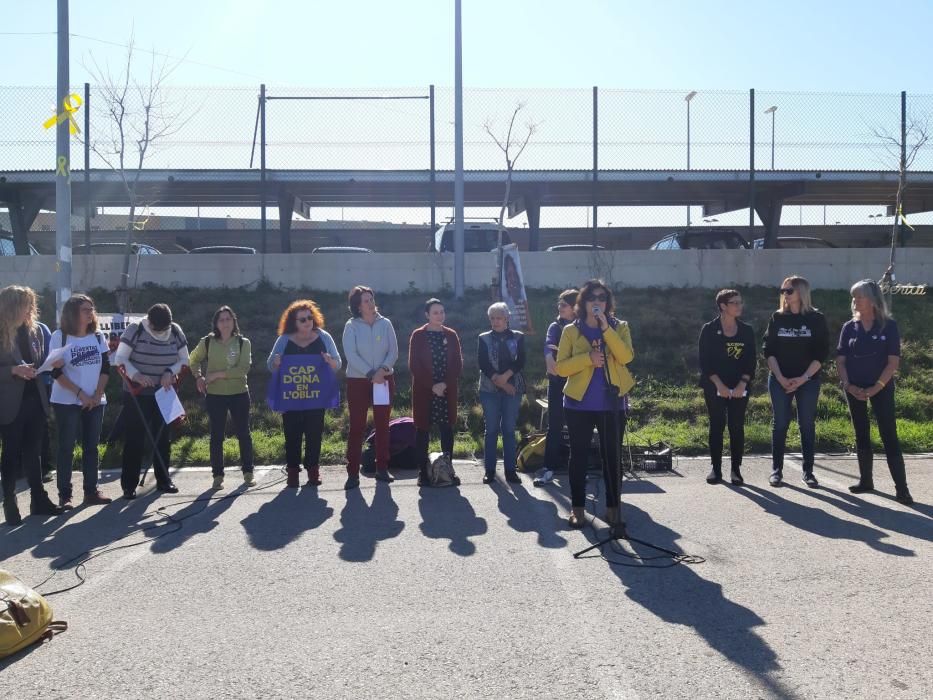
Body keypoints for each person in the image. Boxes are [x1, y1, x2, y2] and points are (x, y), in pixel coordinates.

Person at [556, 280, 635, 529]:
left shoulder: (619, 327)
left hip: (612, 405)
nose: (597, 302)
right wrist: (588, 358)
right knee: (578, 456)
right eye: (592, 298)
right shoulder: (571, 330)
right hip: (579, 405)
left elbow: (626, 356)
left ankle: (613, 509)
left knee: (612, 457)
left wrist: (606, 329)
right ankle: (578, 509)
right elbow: (561, 368)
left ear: (607, 302)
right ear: (583, 303)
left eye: (602, 298)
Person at [836, 279, 913, 505]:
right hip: (854, 388)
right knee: (861, 432)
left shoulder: (888, 326)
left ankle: (902, 488)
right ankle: (866, 481)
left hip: (881, 387)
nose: (855, 301)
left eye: (859, 297)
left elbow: (892, 363)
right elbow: (841, 361)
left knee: (889, 434)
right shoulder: (849, 327)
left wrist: (875, 387)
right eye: (853, 297)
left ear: (872, 300)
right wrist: (849, 385)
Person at [0, 285, 62, 525]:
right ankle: (9, 502)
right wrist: (14, 370)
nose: (31, 309)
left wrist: (48, 364)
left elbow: (38, 361)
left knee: (34, 453)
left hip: (35, 398)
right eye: (26, 304)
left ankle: (39, 499)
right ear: (12, 306)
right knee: (11, 454)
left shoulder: (34, 331)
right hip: (9, 402)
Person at [113, 303, 189, 499]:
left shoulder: (176, 331)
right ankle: (129, 485)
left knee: (162, 438)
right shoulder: (135, 329)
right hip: (137, 393)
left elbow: (184, 360)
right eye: (157, 328)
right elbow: (120, 358)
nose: (160, 332)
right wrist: (136, 375)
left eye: (164, 329)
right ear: (149, 321)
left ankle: (163, 480)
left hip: (164, 392)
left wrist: (169, 372)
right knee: (135, 438)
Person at [763, 275, 829, 488]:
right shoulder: (777, 318)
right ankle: (776, 471)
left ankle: (808, 472)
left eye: (789, 290)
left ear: (801, 292)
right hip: (780, 379)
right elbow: (768, 350)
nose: (785, 294)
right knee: (780, 424)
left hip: (807, 380)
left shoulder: (816, 319)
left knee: (806, 425)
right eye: (783, 290)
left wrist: (802, 379)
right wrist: (781, 378)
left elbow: (821, 354)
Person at [268, 300, 341, 489]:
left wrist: (329, 361)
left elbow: (338, 363)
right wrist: (275, 362)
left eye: (310, 317)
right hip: (291, 397)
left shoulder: (324, 337)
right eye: (302, 319)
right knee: (291, 434)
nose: (308, 321)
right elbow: (270, 364)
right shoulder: (284, 339)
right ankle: (292, 472)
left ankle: (313, 471)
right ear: (294, 322)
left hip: (316, 397)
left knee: (314, 434)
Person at [48, 294, 112, 509]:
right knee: (66, 447)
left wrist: (96, 395)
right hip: (67, 402)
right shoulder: (60, 336)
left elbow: (105, 367)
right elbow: (55, 372)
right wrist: (80, 394)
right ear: (73, 313)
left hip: (95, 401)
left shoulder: (98, 337)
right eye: (85, 309)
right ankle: (65, 496)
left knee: (91, 447)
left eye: (91, 308)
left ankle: (91, 491)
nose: (90, 312)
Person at [189, 305, 255, 490]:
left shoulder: (243, 342)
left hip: (239, 393)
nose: (225, 323)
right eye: (221, 320)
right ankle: (217, 475)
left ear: (234, 321)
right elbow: (192, 359)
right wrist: (199, 376)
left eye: (228, 319)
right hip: (215, 396)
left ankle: (248, 472)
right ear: (216, 323)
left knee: (244, 433)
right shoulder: (207, 342)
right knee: (216, 436)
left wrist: (217, 375)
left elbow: (243, 369)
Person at [697, 289, 757, 486]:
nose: (740, 306)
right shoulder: (709, 329)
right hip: (715, 385)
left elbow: (751, 361)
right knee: (717, 425)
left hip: (740, 387)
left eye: (740, 302)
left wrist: (742, 383)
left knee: (736, 426)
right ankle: (716, 468)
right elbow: (705, 362)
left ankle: (736, 470)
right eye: (735, 303)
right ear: (723, 306)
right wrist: (719, 385)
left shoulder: (747, 330)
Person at [343, 286, 399, 490]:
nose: (370, 303)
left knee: (383, 424)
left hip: (383, 379)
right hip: (358, 381)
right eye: (365, 300)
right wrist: (369, 373)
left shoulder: (386, 324)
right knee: (357, 426)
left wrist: (382, 371)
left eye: (371, 299)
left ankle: (382, 468)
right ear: (358, 306)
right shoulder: (351, 326)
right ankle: (352, 473)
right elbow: (351, 354)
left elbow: (393, 352)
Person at [408, 298, 463, 487]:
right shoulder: (418, 335)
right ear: (427, 315)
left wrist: (444, 385)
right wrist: (432, 385)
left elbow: (457, 364)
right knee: (422, 431)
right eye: (435, 312)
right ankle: (422, 473)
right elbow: (414, 365)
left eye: (442, 311)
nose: (439, 315)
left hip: (446, 391)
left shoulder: (451, 335)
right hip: (425, 391)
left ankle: (448, 471)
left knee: (446, 430)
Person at [477, 302, 526, 485]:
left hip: (514, 388)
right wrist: (501, 382)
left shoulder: (518, 337)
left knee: (509, 430)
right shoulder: (483, 338)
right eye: (492, 318)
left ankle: (510, 471)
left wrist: (506, 378)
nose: (495, 321)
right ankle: (490, 471)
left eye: (499, 318)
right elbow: (483, 364)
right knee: (490, 430)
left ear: (507, 318)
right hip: (489, 390)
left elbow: (520, 361)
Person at [536, 288, 577, 486]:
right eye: (559, 304)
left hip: (579, 382)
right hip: (557, 382)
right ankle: (549, 467)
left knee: (578, 426)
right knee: (555, 425)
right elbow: (548, 344)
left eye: (564, 305)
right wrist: (548, 356)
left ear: (575, 308)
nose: (559, 307)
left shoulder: (583, 326)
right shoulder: (555, 326)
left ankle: (579, 467)